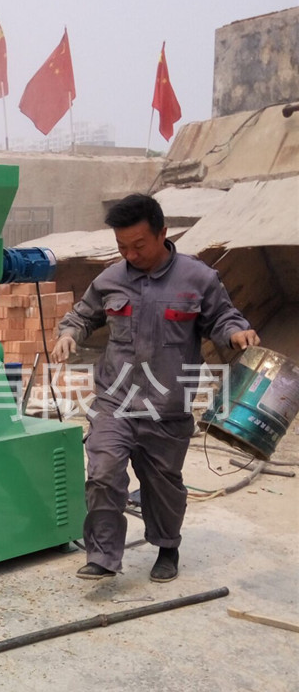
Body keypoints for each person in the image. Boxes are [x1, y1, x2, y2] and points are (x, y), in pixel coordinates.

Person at [51, 194, 259, 582]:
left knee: (163, 485)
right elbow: (81, 316)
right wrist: (68, 335)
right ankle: (103, 556)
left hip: (167, 405)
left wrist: (236, 333)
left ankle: (167, 547)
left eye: (139, 245)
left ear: (163, 233)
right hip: (115, 399)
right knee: (103, 471)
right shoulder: (110, 279)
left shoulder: (198, 279)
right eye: (122, 247)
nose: (130, 254)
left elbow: (224, 318)